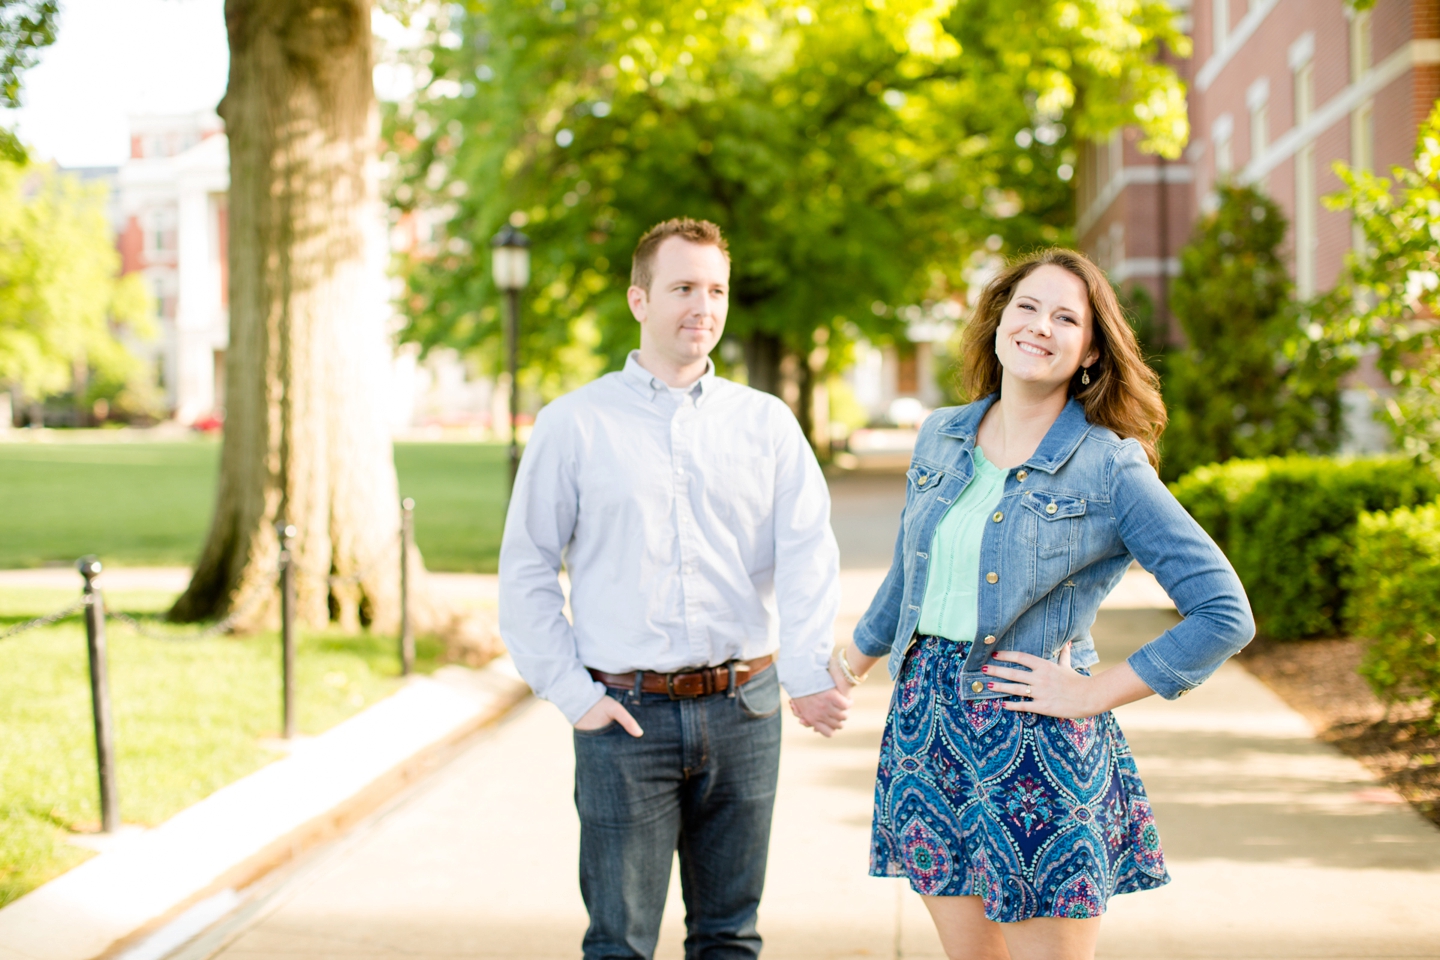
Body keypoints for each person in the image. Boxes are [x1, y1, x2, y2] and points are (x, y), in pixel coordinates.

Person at [826, 249, 1255, 960]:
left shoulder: (1109, 463)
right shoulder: (942, 434)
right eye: (1026, 306)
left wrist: (1094, 693)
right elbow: (914, 570)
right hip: (926, 731)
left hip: (1037, 744)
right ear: (998, 321)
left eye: (1065, 318)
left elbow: (1223, 610)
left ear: (1090, 351)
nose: (1039, 327)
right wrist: (849, 666)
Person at [499, 217, 850, 960]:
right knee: (620, 943)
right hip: (625, 716)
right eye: (683, 287)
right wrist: (572, 693)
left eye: (716, 289)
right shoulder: (575, 425)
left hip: (745, 711)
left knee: (729, 937)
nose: (704, 306)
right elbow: (527, 566)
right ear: (639, 299)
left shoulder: (766, 424)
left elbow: (809, 554)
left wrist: (809, 669)